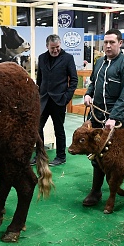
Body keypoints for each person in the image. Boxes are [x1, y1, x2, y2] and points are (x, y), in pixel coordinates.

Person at [81, 28, 124, 206]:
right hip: (96, 115)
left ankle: (113, 188)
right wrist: (88, 94)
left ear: (120, 43)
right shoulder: (99, 62)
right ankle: (96, 191)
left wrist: (114, 117)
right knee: (96, 153)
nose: (108, 46)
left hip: (114, 118)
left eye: (112, 42)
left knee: (112, 155)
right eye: (105, 42)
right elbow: (92, 82)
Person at [34, 34, 78, 166]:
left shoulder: (68, 58)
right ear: (47, 46)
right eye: (52, 48)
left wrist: (66, 98)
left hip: (59, 100)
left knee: (58, 129)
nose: (55, 50)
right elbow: (39, 79)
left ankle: (61, 156)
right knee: (38, 128)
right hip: (43, 100)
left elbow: (74, 80)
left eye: (57, 47)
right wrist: (38, 95)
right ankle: (40, 156)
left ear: (60, 45)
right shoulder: (42, 58)